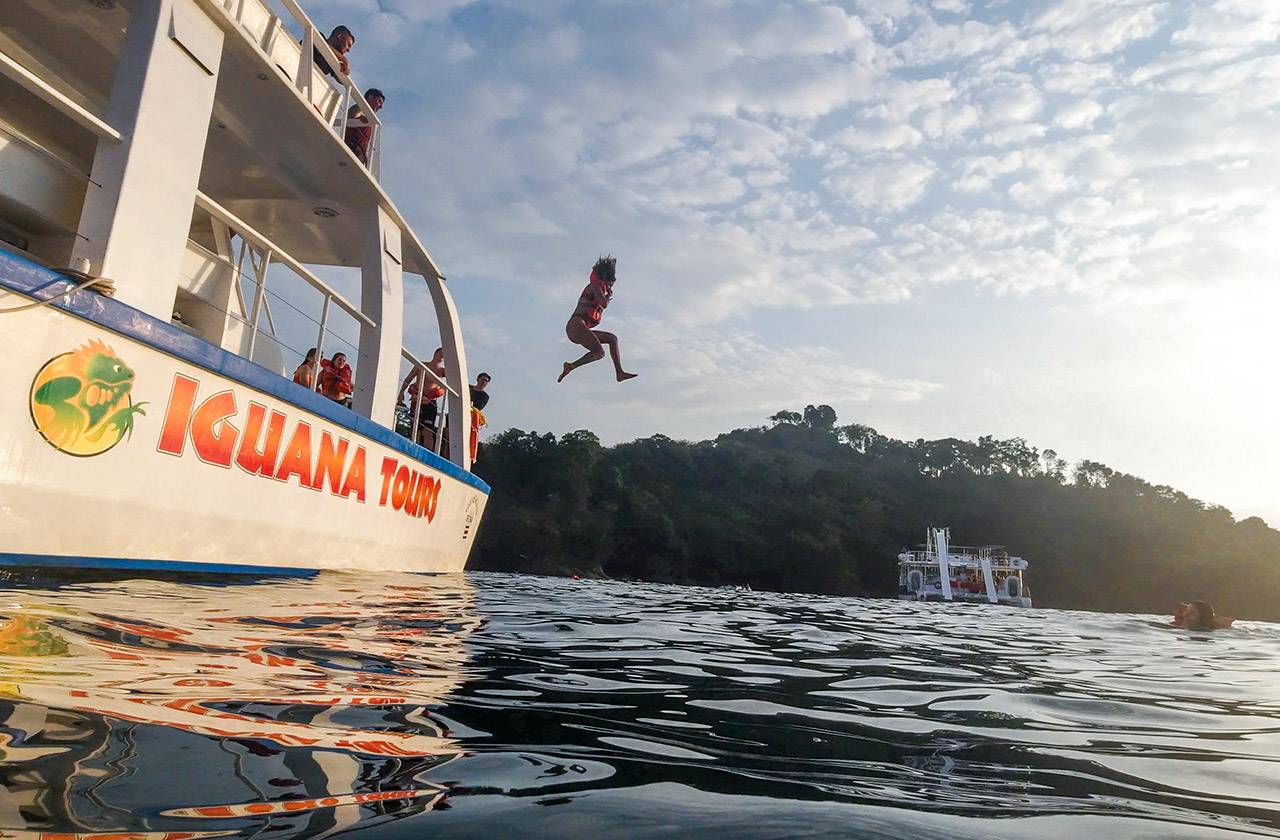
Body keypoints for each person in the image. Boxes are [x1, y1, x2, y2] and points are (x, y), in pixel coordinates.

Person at [557, 256, 637, 383]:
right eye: (610, 284)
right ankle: (570, 366)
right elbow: (604, 303)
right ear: (606, 279)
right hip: (576, 325)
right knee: (599, 352)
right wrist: (608, 296)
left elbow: (601, 304)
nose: (610, 287)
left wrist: (607, 296)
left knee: (612, 339)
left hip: (578, 328)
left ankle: (619, 373)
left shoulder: (598, 290)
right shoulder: (595, 286)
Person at [398, 348, 446, 446]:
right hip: (417, 400)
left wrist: (435, 394)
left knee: (428, 432)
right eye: (441, 354)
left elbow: (450, 385)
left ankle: (428, 455)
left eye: (445, 356)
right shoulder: (421, 365)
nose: (442, 356)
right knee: (415, 429)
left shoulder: (442, 371)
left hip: (430, 402)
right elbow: (408, 379)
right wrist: (401, 393)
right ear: (435, 353)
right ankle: (412, 450)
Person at [344, 88, 384, 165]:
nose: (380, 106)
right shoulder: (360, 108)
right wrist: (360, 119)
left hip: (360, 152)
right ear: (370, 97)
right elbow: (349, 119)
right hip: (353, 146)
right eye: (379, 101)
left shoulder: (370, 120)